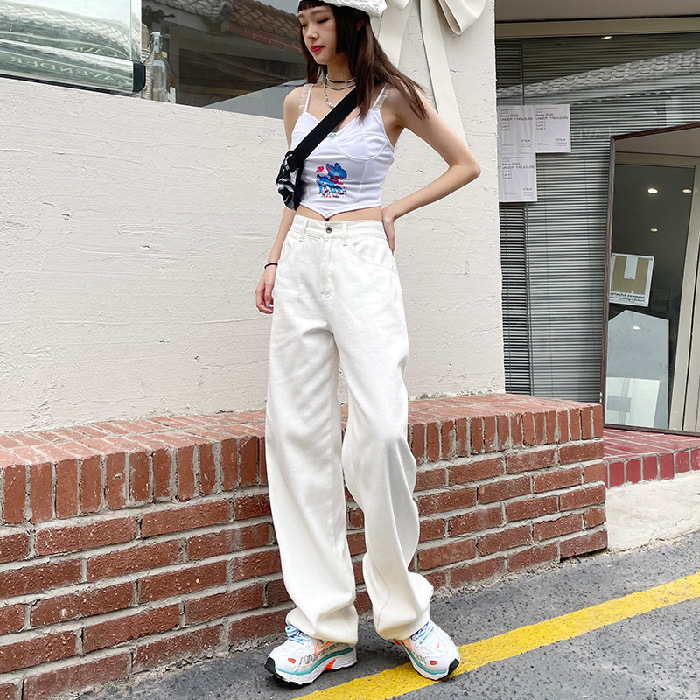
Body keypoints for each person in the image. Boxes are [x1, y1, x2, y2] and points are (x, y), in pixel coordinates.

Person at [255, 0, 480, 686]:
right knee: (296, 433)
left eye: (321, 20)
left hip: (361, 258)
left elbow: (464, 164)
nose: (310, 34)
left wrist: (393, 208)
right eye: (302, 23)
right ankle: (324, 626)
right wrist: (274, 259)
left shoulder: (393, 97)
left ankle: (406, 615)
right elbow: (295, 192)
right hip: (302, 260)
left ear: (353, 20)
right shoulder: (297, 102)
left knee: (381, 431)